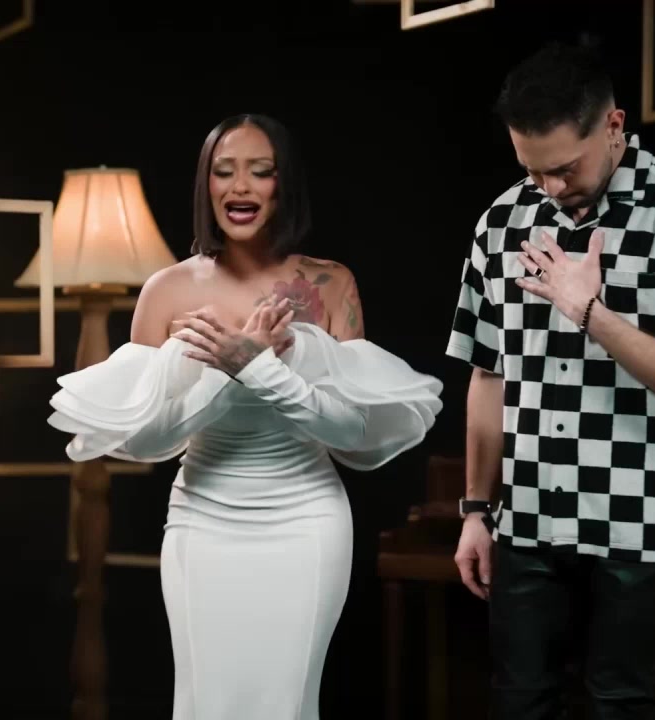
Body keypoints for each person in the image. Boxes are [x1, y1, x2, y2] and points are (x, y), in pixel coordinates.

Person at [47, 114, 443, 719]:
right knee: (205, 703)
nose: (240, 187)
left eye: (260, 171)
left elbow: (354, 433)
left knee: (287, 704)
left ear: (285, 185)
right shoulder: (165, 291)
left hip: (307, 520)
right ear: (205, 185)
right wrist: (229, 376)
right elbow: (147, 441)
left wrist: (263, 371)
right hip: (202, 519)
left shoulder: (332, 284)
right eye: (224, 171)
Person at [447, 41, 655, 719]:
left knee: (621, 707)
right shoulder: (501, 221)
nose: (550, 188)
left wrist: (590, 313)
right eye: (533, 171)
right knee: (518, 704)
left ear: (614, 126)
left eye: (564, 168)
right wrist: (474, 510)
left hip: (643, 524)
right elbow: (488, 375)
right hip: (527, 520)